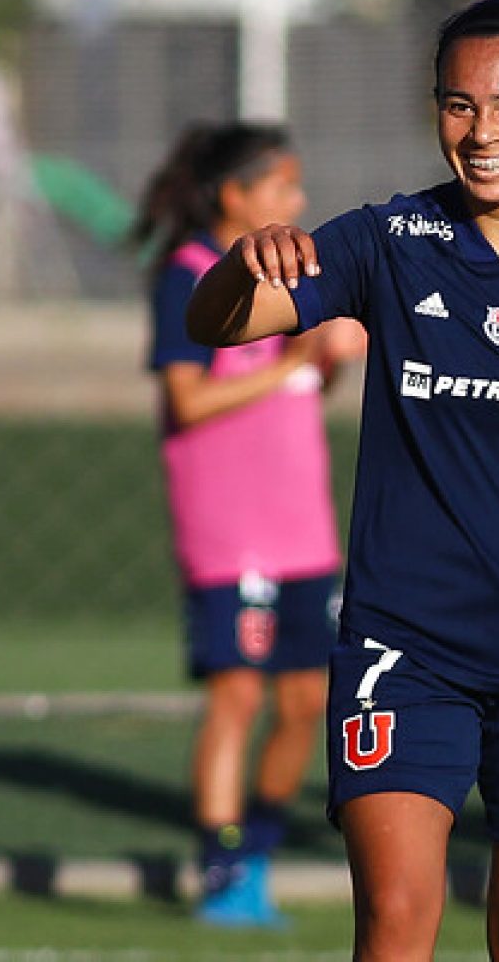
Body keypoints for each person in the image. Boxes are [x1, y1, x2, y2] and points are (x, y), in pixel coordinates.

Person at [187, 0, 499, 961]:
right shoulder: (390, 239)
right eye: (460, 106)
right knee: (394, 920)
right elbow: (213, 324)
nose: (484, 131)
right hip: (408, 647)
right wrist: (240, 265)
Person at [133, 123, 362, 926]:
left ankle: (256, 854)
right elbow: (189, 400)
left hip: (304, 530)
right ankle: (220, 866)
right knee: (236, 694)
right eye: (281, 186)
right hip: (232, 534)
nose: (297, 200)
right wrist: (294, 363)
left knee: (306, 701)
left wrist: (324, 359)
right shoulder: (190, 276)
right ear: (234, 196)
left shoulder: (293, 280)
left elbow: (298, 388)